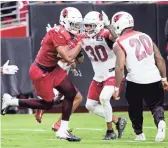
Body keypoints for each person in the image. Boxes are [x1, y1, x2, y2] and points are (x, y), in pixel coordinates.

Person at [1, 7, 83, 142]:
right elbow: (68, 57)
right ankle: (10, 101)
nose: (76, 27)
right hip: (41, 71)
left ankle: (62, 130)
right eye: (74, 24)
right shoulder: (57, 32)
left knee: (70, 93)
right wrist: (80, 43)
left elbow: (74, 57)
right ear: (65, 22)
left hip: (53, 68)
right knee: (47, 104)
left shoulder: (66, 33)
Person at [111, 11, 168, 142]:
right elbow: (159, 58)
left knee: (135, 108)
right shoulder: (146, 36)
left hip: (135, 80)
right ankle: (160, 122)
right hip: (154, 77)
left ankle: (139, 134)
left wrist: (116, 87)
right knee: (156, 105)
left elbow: (120, 67)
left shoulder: (118, 42)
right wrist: (164, 78)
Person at [81, 11, 127, 140]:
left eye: (91, 25)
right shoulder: (83, 36)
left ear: (98, 24)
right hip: (99, 76)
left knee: (104, 98)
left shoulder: (105, 34)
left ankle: (110, 131)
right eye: (87, 25)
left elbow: (117, 38)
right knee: (89, 105)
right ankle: (118, 121)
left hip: (113, 73)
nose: (88, 28)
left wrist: (108, 26)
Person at [35, 50, 84, 132]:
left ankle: (43, 108)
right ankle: (59, 124)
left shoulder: (70, 48)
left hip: (58, 77)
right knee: (77, 98)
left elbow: (78, 61)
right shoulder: (64, 48)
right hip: (56, 77)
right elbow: (76, 59)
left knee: (61, 98)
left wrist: (74, 63)